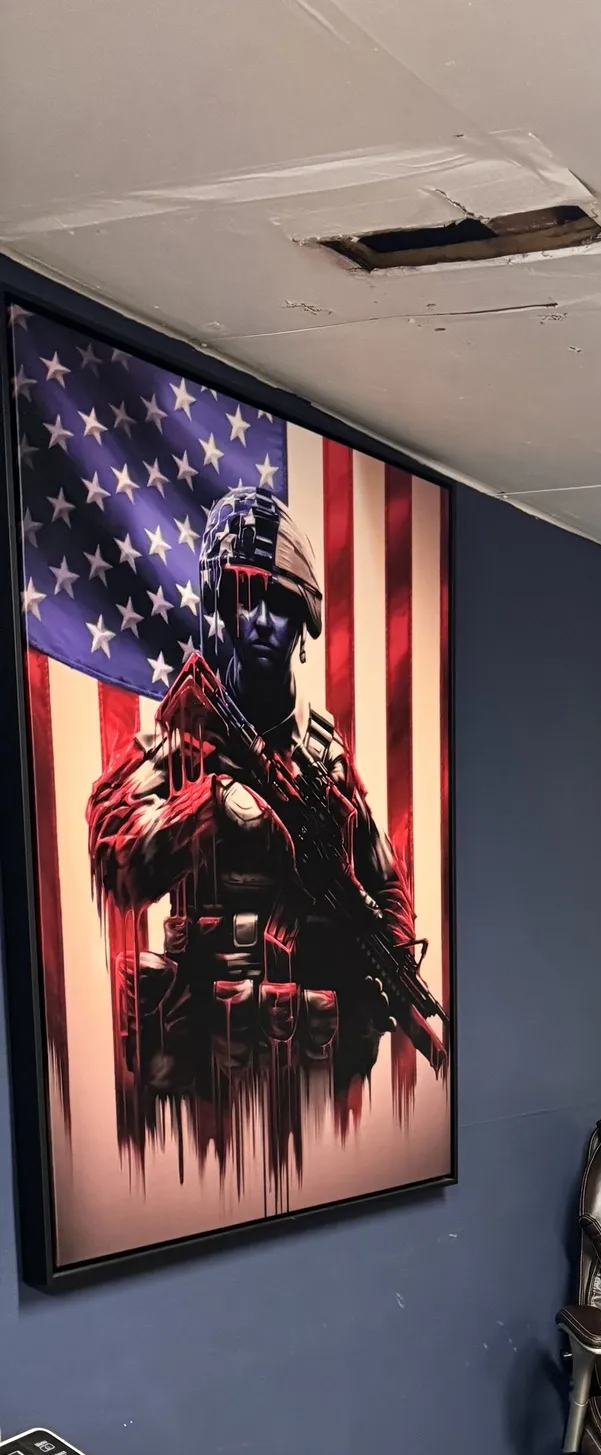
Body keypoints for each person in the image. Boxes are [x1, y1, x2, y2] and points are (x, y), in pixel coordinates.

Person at [86, 487, 444, 1194]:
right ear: (220, 609)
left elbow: (382, 878)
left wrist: (391, 961)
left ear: (304, 620)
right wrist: (211, 806)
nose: (258, 621)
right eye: (242, 599)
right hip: (209, 1082)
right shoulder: (184, 741)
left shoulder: (324, 757)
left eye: (278, 604)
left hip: (316, 1071)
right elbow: (112, 848)